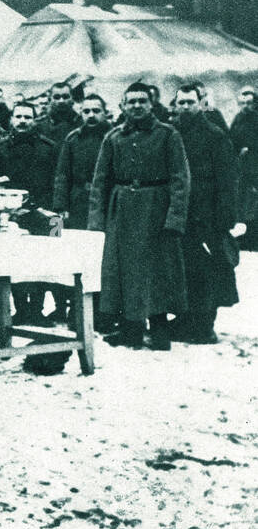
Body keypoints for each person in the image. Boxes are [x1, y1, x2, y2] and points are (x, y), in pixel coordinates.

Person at [89, 82, 189, 351]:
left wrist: (174, 220)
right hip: (121, 212)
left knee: (157, 272)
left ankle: (159, 332)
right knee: (124, 272)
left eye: (142, 101)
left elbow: (180, 180)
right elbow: (100, 182)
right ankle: (131, 331)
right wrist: (97, 221)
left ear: (151, 104)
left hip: (156, 210)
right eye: (131, 101)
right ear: (122, 105)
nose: (136, 106)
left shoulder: (168, 135)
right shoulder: (113, 138)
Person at [172, 84, 240, 344]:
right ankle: (185, 319)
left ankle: (204, 326)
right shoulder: (172, 134)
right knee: (184, 269)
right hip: (181, 214)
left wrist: (225, 217)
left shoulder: (215, 135)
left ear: (201, 103)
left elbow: (228, 179)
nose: (186, 107)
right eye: (182, 103)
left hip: (207, 216)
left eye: (191, 102)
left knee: (209, 271)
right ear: (175, 105)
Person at [0, 102, 58, 324]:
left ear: (34, 120)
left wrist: (50, 210)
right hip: (11, 214)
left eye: (27, 117)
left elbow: (56, 181)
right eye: (18, 116)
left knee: (47, 261)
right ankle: (21, 309)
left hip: (45, 212)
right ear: (11, 119)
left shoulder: (49, 148)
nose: (22, 121)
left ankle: (38, 309)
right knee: (14, 261)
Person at [52, 93, 113, 327]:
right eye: (86, 111)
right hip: (77, 205)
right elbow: (62, 174)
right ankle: (76, 313)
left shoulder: (113, 137)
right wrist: (60, 207)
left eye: (96, 111)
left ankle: (105, 314)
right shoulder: (72, 139)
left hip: (106, 204)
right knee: (76, 257)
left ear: (105, 112)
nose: (91, 116)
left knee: (104, 259)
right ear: (80, 113)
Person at [230, 86, 258, 251]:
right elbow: (232, 139)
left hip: (255, 167)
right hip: (244, 169)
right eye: (242, 103)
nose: (246, 106)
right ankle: (250, 233)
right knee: (246, 202)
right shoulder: (239, 118)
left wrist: (249, 148)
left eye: (249, 103)